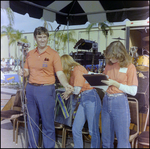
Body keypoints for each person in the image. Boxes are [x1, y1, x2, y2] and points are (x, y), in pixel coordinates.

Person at [19, 26, 74, 148]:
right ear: (35, 38)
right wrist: (23, 72)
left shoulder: (54, 54)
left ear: (47, 38)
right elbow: (27, 72)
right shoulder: (30, 54)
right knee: (31, 122)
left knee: (47, 124)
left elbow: (60, 73)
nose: (42, 39)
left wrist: (66, 85)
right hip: (31, 89)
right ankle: (32, 146)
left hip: (46, 90)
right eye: (40, 37)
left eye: (44, 37)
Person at [100, 41, 138, 148]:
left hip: (120, 102)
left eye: (112, 57)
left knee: (122, 142)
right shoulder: (109, 65)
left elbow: (133, 91)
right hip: (106, 101)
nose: (110, 59)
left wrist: (116, 84)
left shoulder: (130, 67)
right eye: (109, 57)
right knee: (106, 141)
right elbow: (104, 83)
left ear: (120, 54)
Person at [61, 54, 102, 148]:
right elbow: (73, 90)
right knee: (76, 129)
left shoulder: (77, 69)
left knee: (93, 131)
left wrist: (68, 92)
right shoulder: (72, 72)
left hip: (91, 97)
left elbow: (76, 90)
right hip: (83, 99)